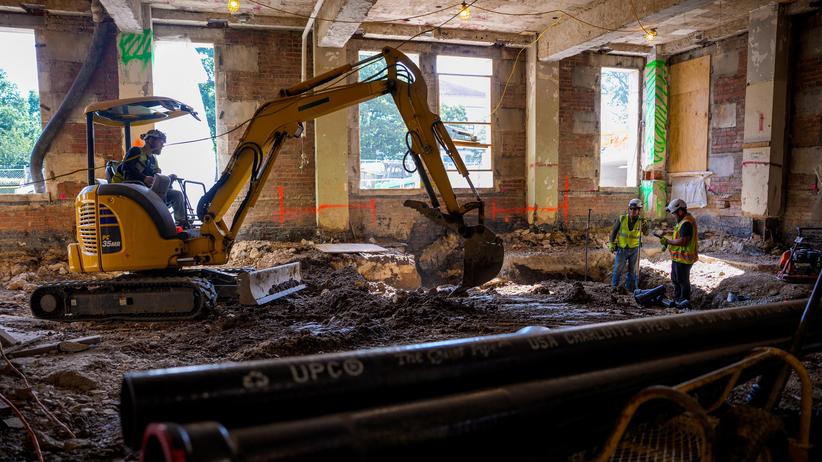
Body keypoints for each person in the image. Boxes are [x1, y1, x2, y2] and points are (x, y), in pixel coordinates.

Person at [114, 129, 187, 227]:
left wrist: (168, 179)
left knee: (177, 195)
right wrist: (144, 178)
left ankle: (180, 223)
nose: (163, 145)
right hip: (132, 191)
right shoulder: (135, 151)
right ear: (150, 140)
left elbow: (156, 178)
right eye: (161, 142)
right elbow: (126, 170)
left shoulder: (153, 159)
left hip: (148, 192)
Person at [658, 198, 698, 308]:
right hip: (678, 258)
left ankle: (684, 301)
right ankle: (677, 299)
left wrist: (668, 241)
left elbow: (683, 241)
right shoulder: (682, 221)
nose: (673, 216)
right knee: (676, 279)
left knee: (682, 280)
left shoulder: (686, 223)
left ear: (680, 211)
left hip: (684, 259)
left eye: (674, 213)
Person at [608, 198, 648, 291]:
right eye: (631, 209)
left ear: (639, 210)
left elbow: (646, 233)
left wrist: (645, 225)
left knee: (632, 271)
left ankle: (630, 289)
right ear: (628, 209)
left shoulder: (641, 221)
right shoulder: (622, 218)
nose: (633, 211)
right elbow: (614, 231)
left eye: (635, 209)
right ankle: (614, 287)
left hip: (634, 249)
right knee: (618, 269)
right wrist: (611, 243)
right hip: (622, 248)